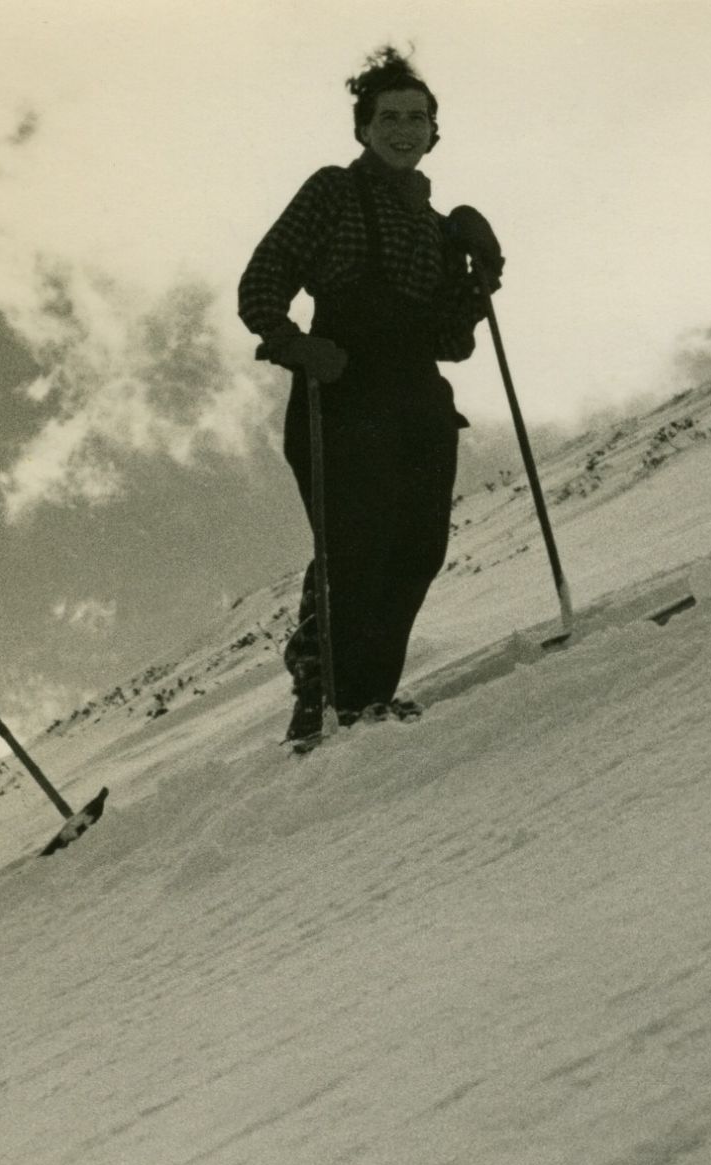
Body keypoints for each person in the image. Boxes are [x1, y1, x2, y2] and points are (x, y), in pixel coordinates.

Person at [237, 45, 504, 746]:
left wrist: (481, 274)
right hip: (343, 393)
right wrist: (292, 343)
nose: (403, 128)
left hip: (418, 398)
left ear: (433, 133)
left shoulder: (436, 228)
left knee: (417, 548)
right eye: (388, 116)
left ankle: (367, 698)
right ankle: (323, 694)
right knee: (356, 546)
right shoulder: (333, 191)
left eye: (417, 117)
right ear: (363, 128)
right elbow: (264, 276)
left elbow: (450, 339)